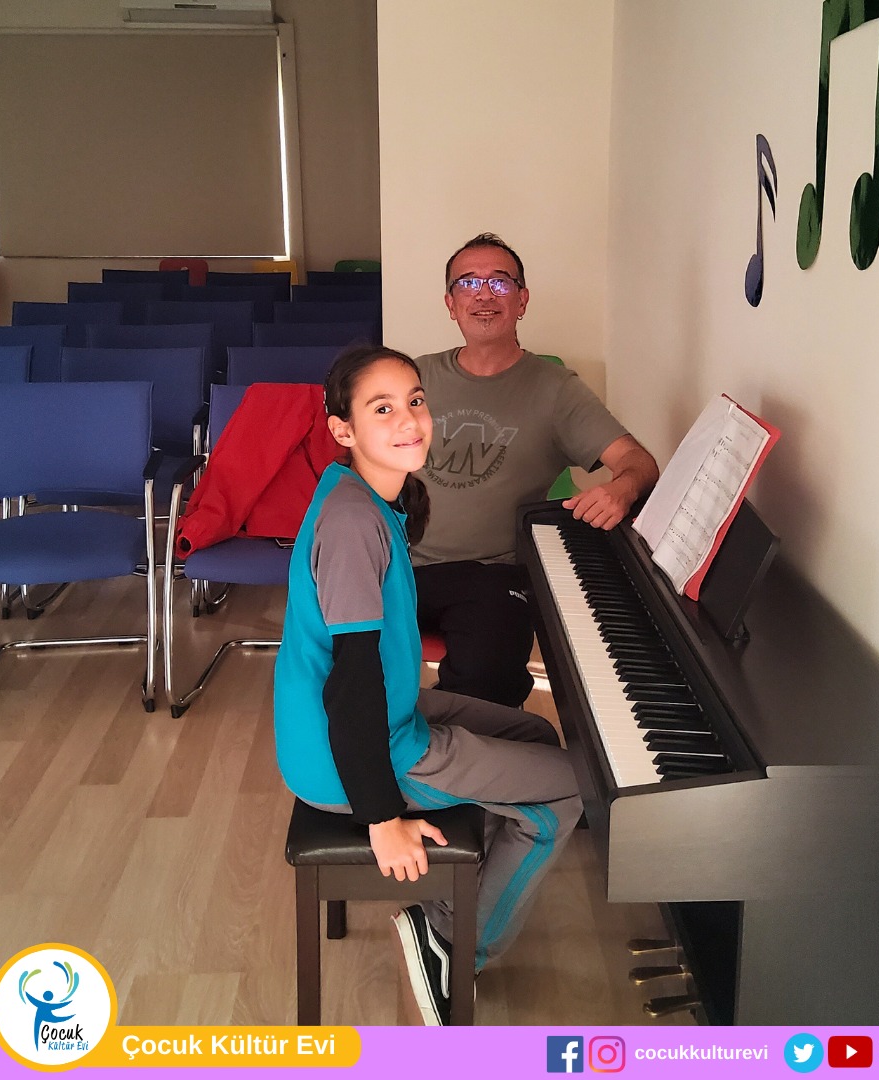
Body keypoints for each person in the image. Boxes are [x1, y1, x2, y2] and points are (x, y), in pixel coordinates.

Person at [273, 344, 582, 1026]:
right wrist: (382, 820)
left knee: (534, 731)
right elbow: (351, 687)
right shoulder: (353, 524)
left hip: (376, 717)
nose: (409, 419)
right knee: (567, 790)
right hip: (351, 750)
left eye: (415, 400)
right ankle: (451, 939)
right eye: (382, 408)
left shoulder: (363, 491)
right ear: (343, 429)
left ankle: (474, 872)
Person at [412, 233, 659, 707]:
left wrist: (622, 489)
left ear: (522, 300)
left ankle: (456, 748)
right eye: (468, 283)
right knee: (338, 660)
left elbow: (638, 463)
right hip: (399, 563)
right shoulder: (416, 376)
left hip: (491, 573)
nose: (484, 294)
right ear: (450, 304)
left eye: (500, 282)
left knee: (485, 689)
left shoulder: (556, 391)